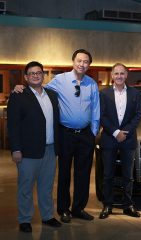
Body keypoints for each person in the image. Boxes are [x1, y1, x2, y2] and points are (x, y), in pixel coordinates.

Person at [14, 49, 100, 223]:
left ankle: (78, 208)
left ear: (89, 65)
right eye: (79, 61)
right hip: (65, 134)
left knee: (83, 174)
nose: (82, 64)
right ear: (73, 62)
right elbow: (39, 88)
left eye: (86, 62)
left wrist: (93, 132)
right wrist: (20, 86)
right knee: (64, 174)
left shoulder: (92, 84)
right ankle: (63, 210)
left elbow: (96, 109)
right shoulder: (59, 80)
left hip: (85, 136)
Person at [7, 61, 61, 232]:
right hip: (27, 151)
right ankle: (24, 219)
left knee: (46, 186)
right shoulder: (18, 95)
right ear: (26, 77)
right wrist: (16, 149)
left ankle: (47, 216)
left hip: (50, 149)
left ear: (43, 75)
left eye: (39, 72)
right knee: (26, 187)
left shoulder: (52, 95)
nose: (36, 75)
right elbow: (13, 125)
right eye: (32, 73)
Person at [98, 63, 141, 219]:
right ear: (112, 75)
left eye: (122, 73)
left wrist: (125, 132)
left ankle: (128, 205)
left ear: (126, 75)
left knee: (128, 175)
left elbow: (138, 115)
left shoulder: (135, 93)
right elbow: (102, 116)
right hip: (110, 138)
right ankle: (107, 205)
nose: (119, 76)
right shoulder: (104, 94)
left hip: (128, 139)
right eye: (116, 73)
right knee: (108, 174)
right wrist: (116, 132)